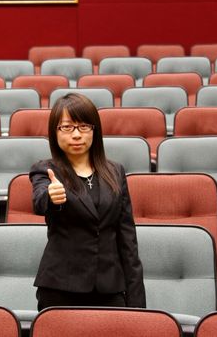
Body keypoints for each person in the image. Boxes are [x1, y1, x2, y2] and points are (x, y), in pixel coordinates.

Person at [29, 93, 146, 310]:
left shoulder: (115, 172)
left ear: (95, 130)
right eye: (67, 127)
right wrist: (51, 198)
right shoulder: (46, 170)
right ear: (54, 132)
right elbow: (39, 200)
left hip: (109, 289)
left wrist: (138, 303)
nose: (76, 135)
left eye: (83, 126)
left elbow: (128, 241)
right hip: (60, 288)